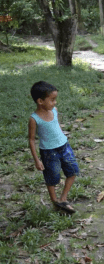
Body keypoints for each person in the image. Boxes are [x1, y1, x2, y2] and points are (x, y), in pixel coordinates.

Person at [28, 81, 79, 213]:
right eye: (52, 100)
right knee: (52, 178)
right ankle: (55, 201)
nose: (55, 102)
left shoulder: (54, 111)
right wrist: (37, 160)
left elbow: (56, 126)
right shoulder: (34, 119)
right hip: (49, 152)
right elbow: (32, 140)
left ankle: (63, 198)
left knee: (73, 171)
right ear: (40, 101)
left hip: (64, 146)